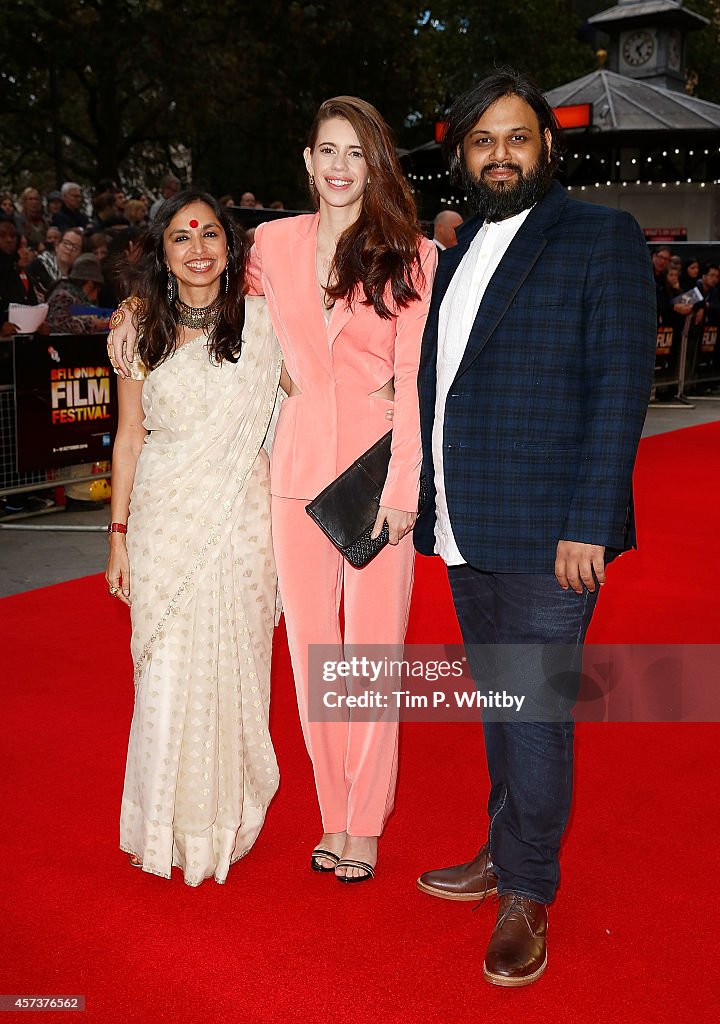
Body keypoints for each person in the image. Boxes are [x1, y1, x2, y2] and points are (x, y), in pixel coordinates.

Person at [110, 97, 437, 883]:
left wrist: (404, 489)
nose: (338, 167)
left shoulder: (412, 253)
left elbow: (411, 377)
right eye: (327, 150)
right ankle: (333, 817)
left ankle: (366, 823)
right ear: (306, 161)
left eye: (355, 153)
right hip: (288, 482)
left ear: (376, 163)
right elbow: (212, 304)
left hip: (372, 479)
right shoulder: (272, 244)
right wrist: (134, 305)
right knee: (317, 662)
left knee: (373, 660)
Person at [413, 70, 656, 987]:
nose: (501, 155)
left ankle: (527, 891)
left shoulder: (600, 236)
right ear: (463, 156)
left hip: (555, 529)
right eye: (483, 141)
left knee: (538, 710)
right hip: (466, 522)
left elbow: (620, 387)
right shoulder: (464, 244)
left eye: (518, 138)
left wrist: (591, 520)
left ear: (546, 147)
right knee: (501, 704)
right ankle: (501, 850)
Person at [105, 190, 281, 885]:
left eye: (211, 232)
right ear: (164, 252)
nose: (199, 246)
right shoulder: (134, 330)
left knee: (236, 672)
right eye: (182, 236)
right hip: (162, 523)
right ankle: (164, 828)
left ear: (230, 248)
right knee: (166, 674)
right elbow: (128, 437)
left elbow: (315, 393)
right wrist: (117, 536)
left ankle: (225, 820)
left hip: (241, 524)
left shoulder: (266, 325)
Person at [46, 253, 108, 334]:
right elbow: (57, 323)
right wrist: (91, 324)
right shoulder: (62, 295)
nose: (96, 297)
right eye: (97, 290)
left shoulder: (78, 297)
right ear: (90, 285)